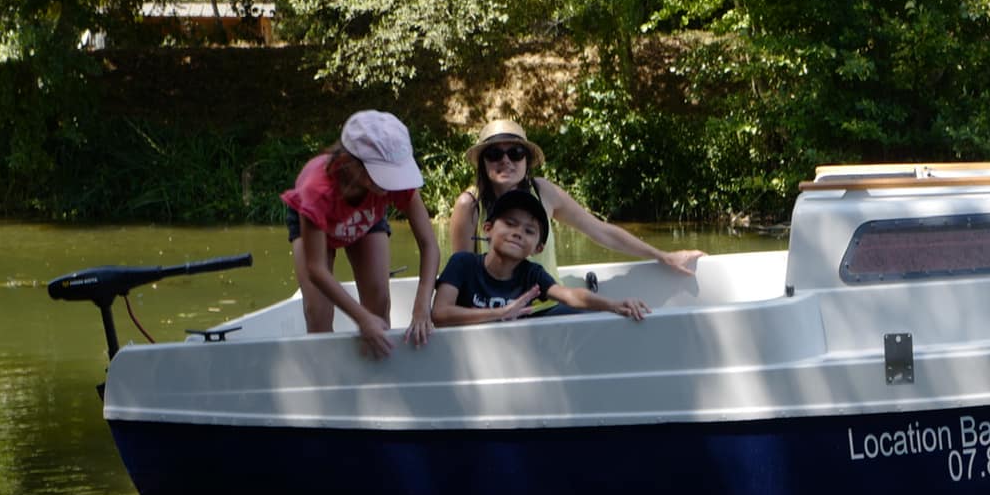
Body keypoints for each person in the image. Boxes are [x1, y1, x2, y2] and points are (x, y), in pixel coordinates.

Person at [447, 119, 704, 276]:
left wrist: (663, 256)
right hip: (499, 312)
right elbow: (461, 276)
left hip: (547, 301)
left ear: (527, 160)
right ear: (482, 163)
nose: (505, 161)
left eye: (515, 153)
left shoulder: (543, 192)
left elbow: (600, 231)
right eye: (494, 154)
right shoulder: (469, 205)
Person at [280, 110, 440, 359]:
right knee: (317, 312)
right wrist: (361, 319)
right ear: (349, 164)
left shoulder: (391, 185)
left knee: (378, 301)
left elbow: (429, 244)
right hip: (318, 223)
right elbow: (316, 269)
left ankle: (377, 373)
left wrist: (422, 305)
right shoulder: (316, 188)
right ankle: (328, 380)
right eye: (383, 175)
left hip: (367, 220)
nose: (391, 184)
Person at [432, 187, 650, 325]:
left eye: (529, 231)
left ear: (538, 248)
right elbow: (439, 314)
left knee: (578, 315)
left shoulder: (531, 274)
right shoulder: (463, 263)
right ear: (487, 228)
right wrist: (501, 313)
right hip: (466, 354)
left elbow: (569, 295)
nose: (517, 233)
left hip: (514, 356)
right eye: (509, 224)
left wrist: (613, 305)